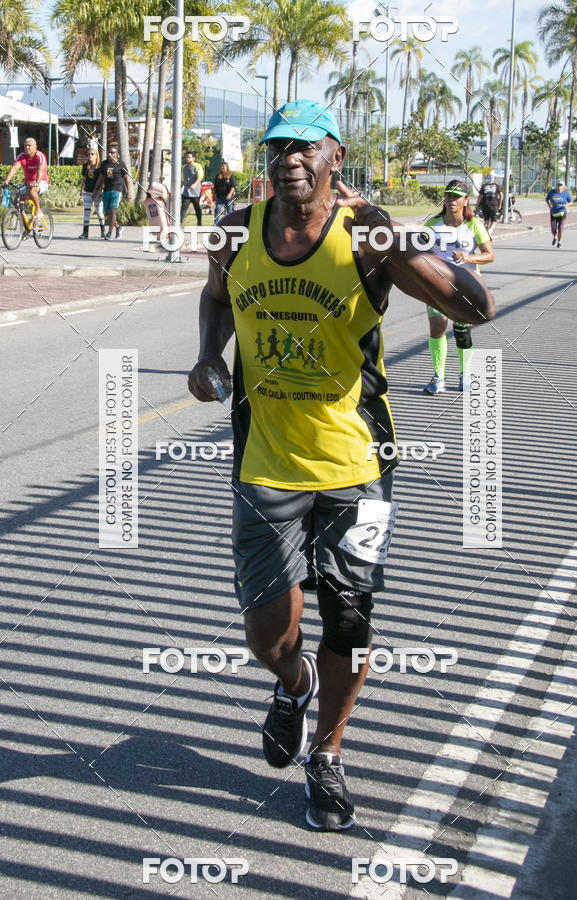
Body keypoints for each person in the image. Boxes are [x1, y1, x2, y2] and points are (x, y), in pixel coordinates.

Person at [187, 99, 495, 832]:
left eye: (304, 147)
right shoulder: (236, 231)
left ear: (334, 155)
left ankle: (326, 755)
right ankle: (293, 687)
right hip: (266, 460)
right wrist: (207, 353)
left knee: (349, 622)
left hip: (358, 462)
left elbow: (475, 308)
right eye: (276, 148)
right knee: (267, 631)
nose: (288, 158)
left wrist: (395, 236)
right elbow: (215, 297)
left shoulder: (366, 237)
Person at [423, 179, 494, 394]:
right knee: (437, 327)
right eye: (448, 196)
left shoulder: (473, 224)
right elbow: (418, 250)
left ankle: (465, 375)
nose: (451, 200)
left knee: (462, 332)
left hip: (467, 284)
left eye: (456, 197)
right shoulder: (432, 224)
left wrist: (468, 257)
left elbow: (489, 255)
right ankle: (438, 378)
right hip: (437, 285)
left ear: (466, 200)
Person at [2, 137, 49, 228]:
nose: (27, 148)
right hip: (27, 183)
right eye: (25, 146)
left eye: (29, 146)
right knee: (16, 202)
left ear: (35, 147)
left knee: (32, 190)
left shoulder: (40, 156)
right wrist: (7, 180)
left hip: (41, 182)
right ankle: (27, 227)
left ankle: (38, 210)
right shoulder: (21, 156)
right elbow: (15, 168)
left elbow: (40, 170)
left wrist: (37, 182)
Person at [93, 141, 133, 241]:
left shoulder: (121, 164)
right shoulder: (104, 164)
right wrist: (96, 189)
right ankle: (118, 227)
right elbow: (101, 178)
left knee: (113, 210)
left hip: (117, 190)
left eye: (113, 152)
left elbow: (126, 179)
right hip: (106, 190)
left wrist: (128, 192)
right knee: (107, 213)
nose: (110, 154)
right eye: (109, 152)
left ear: (117, 154)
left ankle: (109, 233)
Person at [79, 146, 106, 239]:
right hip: (87, 191)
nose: (90, 156)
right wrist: (81, 190)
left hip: (98, 192)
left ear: (96, 156)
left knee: (99, 212)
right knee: (87, 211)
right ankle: (85, 232)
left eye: (92, 154)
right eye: (89, 154)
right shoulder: (86, 166)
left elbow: (102, 179)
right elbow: (84, 178)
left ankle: (103, 230)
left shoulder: (100, 166)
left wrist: (98, 190)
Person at [546, 180, 573, 247]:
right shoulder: (552, 192)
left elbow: (571, 201)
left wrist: (567, 205)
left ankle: (559, 242)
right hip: (553, 212)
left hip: (562, 212)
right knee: (553, 229)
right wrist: (549, 204)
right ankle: (555, 237)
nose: (559, 187)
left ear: (563, 186)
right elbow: (547, 199)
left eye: (560, 185)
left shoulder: (566, 193)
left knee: (560, 228)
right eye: (558, 185)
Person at [181, 151, 204, 225]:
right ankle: (179, 224)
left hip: (195, 193)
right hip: (186, 192)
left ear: (193, 158)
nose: (187, 159)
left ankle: (199, 224)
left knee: (197, 208)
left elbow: (200, 177)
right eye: (186, 157)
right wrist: (179, 188)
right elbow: (182, 180)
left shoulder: (197, 166)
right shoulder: (184, 167)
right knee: (183, 208)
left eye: (189, 157)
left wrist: (195, 184)